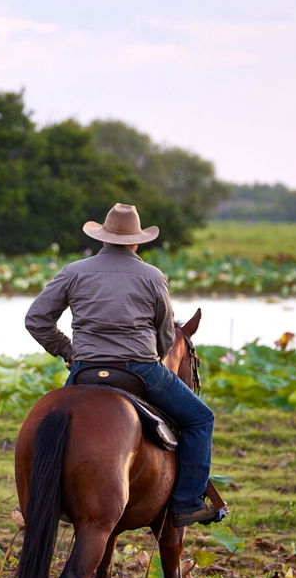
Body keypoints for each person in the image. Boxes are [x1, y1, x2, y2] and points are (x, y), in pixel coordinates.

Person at [24, 203, 222, 527]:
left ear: (102, 238)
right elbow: (165, 333)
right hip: (140, 372)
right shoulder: (153, 276)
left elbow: (36, 319)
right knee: (201, 418)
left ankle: (37, 502)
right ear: (136, 241)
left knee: (52, 425)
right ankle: (186, 503)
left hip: (85, 370)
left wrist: (67, 350)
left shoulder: (74, 271)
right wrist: (155, 354)